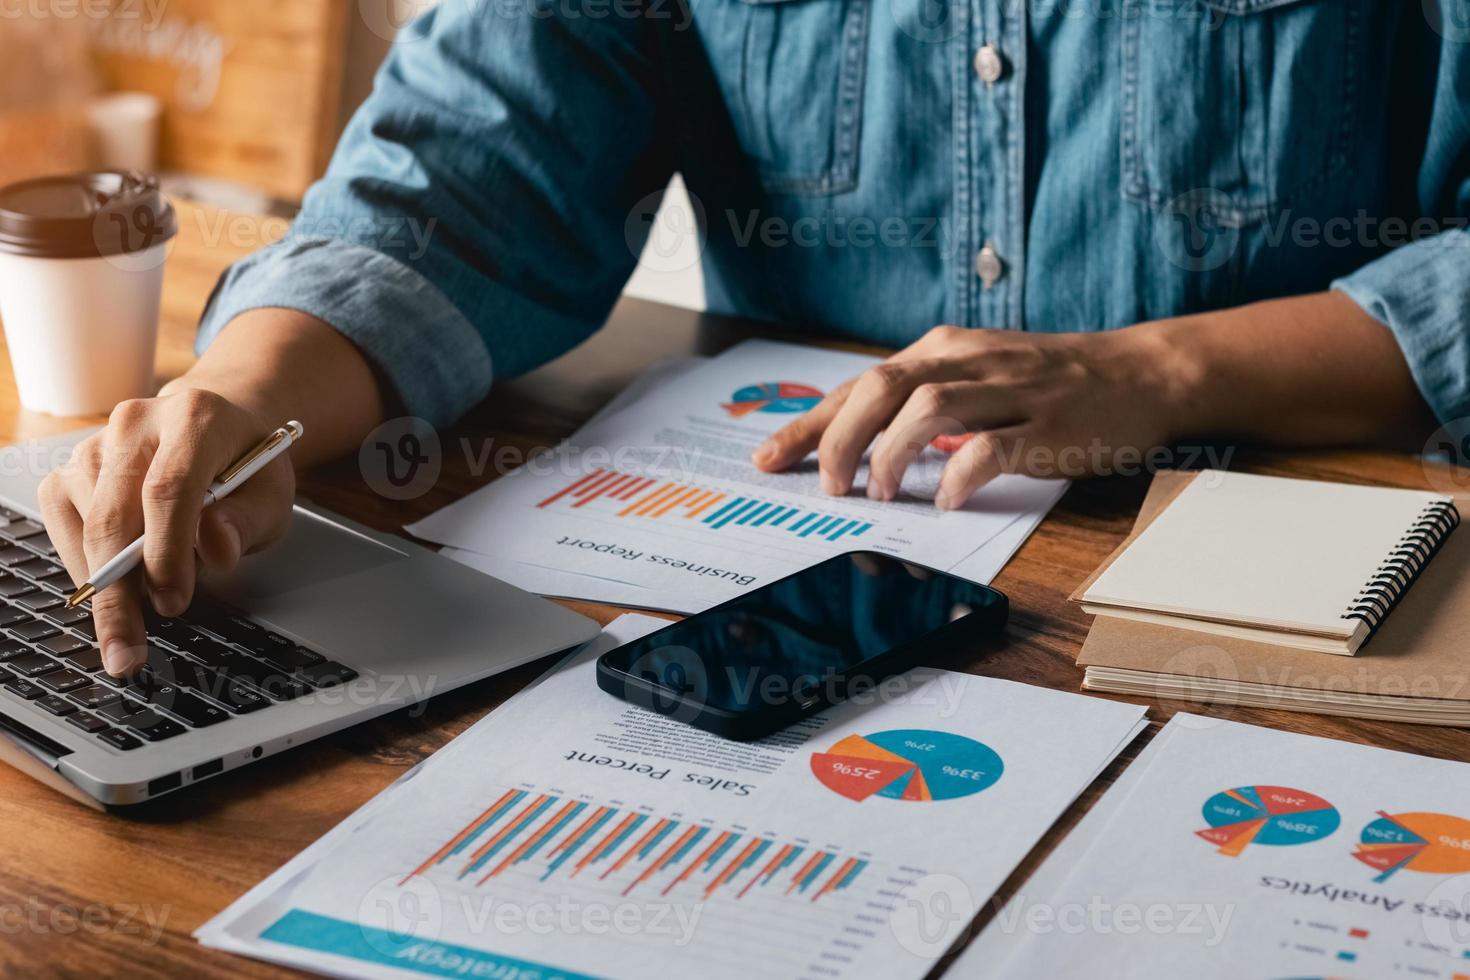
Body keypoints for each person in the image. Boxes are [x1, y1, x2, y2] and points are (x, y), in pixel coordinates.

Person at [40, 0, 1469, 675]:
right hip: (787, 596)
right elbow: (467, 170)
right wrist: (240, 396)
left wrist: (1160, 370)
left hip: (1307, 610)